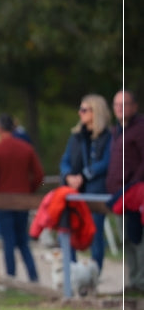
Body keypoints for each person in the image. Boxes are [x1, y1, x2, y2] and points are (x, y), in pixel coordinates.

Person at [0, 114, 44, 281]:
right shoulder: (26, 148)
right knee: (23, 241)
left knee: (8, 242)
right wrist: (29, 190)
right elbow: (39, 175)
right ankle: (33, 277)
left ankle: (11, 279)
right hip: (23, 200)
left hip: (4, 201)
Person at [58, 94, 112, 271]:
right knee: (70, 229)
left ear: (96, 112)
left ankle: (94, 275)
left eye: (84, 109)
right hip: (75, 191)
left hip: (96, 190)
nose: (80, 113)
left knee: (95, 233)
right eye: (80, 109)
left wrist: (85, 174)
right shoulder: (76, 136)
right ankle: (72, 273)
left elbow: (107, 161)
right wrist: (68, 176)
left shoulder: (108, 136)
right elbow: (65, 160)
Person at [106, 90, 144, 293]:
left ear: (134, 106)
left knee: (138, 238)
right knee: (126, 238)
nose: (120, 108)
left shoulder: (140, 129)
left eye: (124, 104)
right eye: (116, 104)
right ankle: (133, 280)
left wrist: (134, 185)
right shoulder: (117, 131)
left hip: (135, 194)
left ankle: (141, 281)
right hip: (120, 194)